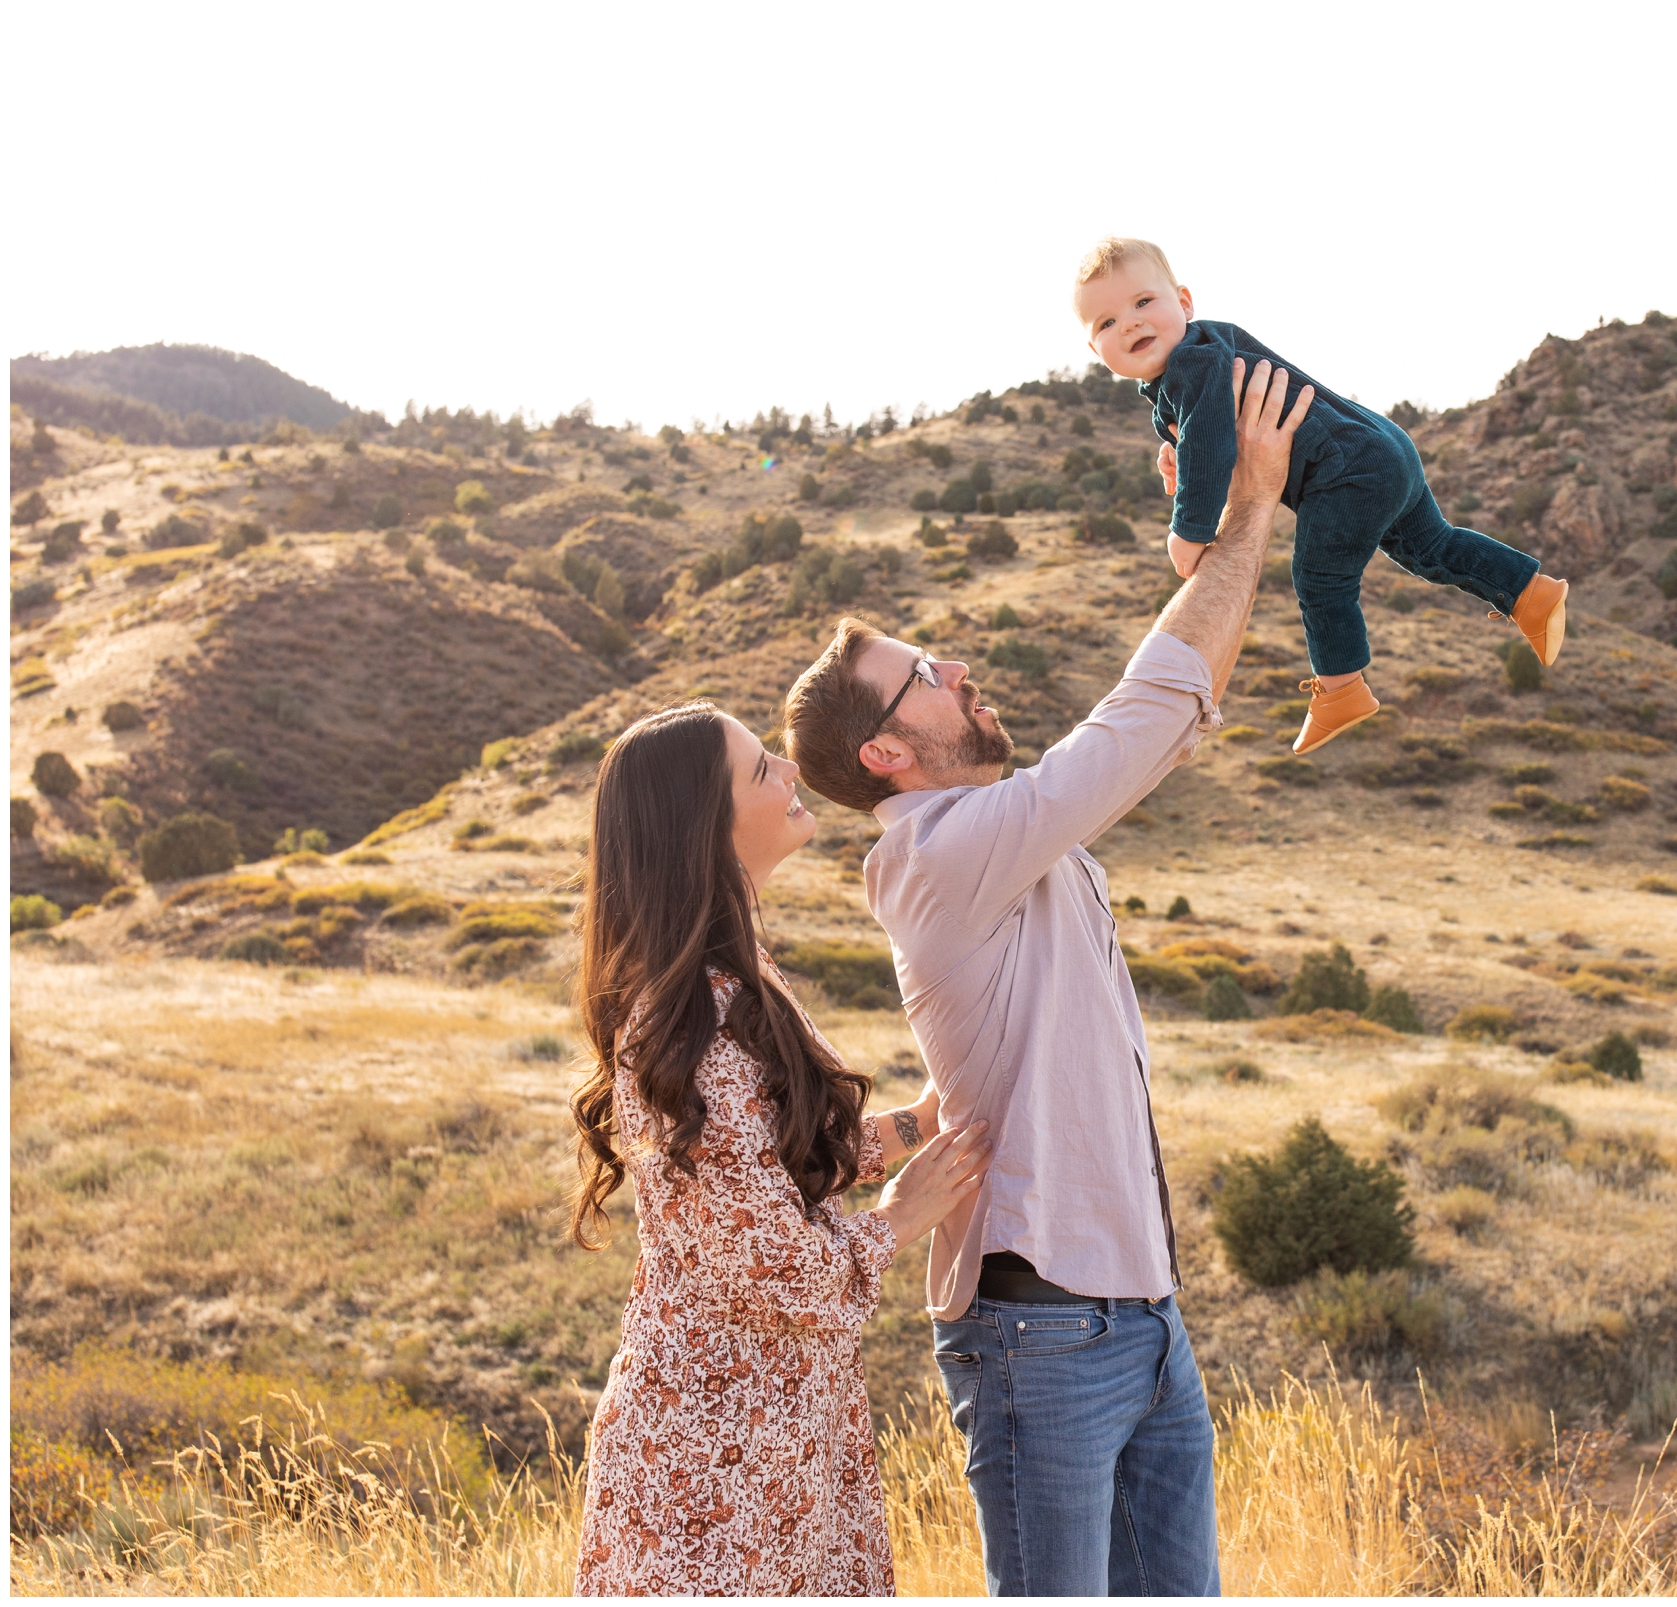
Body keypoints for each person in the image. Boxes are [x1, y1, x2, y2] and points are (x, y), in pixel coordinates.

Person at [780, 358, 1314, 1595]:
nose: (961, 667)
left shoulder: (1014, 833)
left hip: (1140, 1317)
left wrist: (1213, 527)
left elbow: (1176, 710)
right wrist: (1251, 516)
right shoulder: (935, 852)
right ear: (888, 751)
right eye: (929, 675)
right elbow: (1140, 715)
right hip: (1041, 1330)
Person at [568, 700, 993, 1597]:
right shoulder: (687, 1025)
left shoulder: (722, 988)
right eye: (763, 768)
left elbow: (774, 1171)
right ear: (704, 829)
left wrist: (916, 1123)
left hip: (768, 1439)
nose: (791, 772)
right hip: (717, 1467)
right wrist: (897, 1219)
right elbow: (781, 1266)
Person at [1073, 234, 1571, 754]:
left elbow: (1211, 443)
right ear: (1094, 349)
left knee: (1321, 578)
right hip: (1381, 447)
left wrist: (1188, 528)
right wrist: (1195, 473)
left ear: (1185, 302)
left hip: (1347, 470)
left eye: (1143, 302)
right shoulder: (1200, 358)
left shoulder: (1192, 365)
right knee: (1431, 546)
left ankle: (1341, 690)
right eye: (1106, 322)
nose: (1129, 322)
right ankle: (1530, 593)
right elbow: (1213, 447)